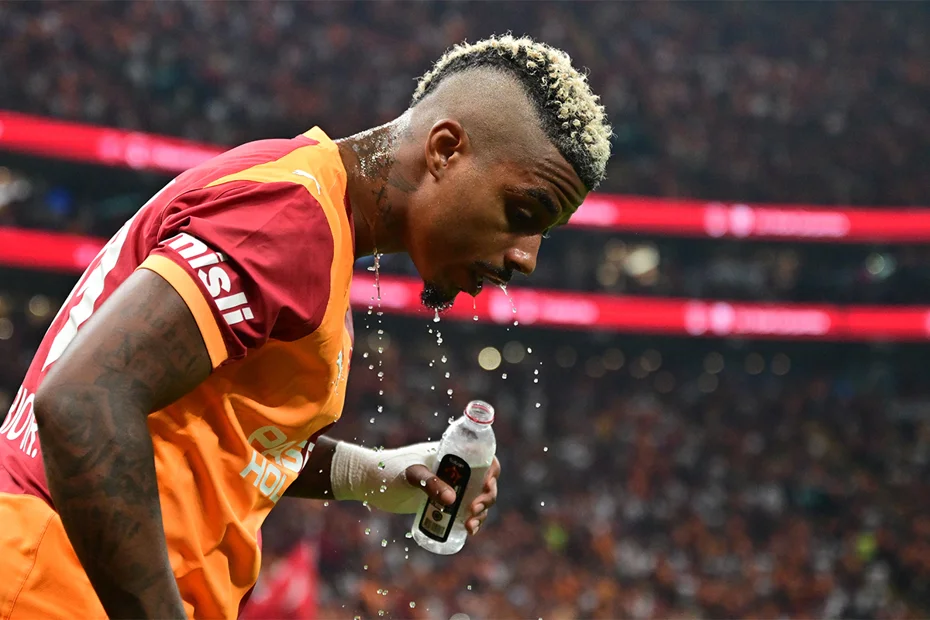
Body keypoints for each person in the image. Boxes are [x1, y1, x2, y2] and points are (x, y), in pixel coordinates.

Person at [0, 35, 611, 619]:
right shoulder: (291, 220)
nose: (526, 258)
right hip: (55, 589)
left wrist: (371, 474)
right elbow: (83, 401)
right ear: (445, 150)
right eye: (521, 212)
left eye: (543, 233)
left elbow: (226, 438)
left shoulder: (310, 208)